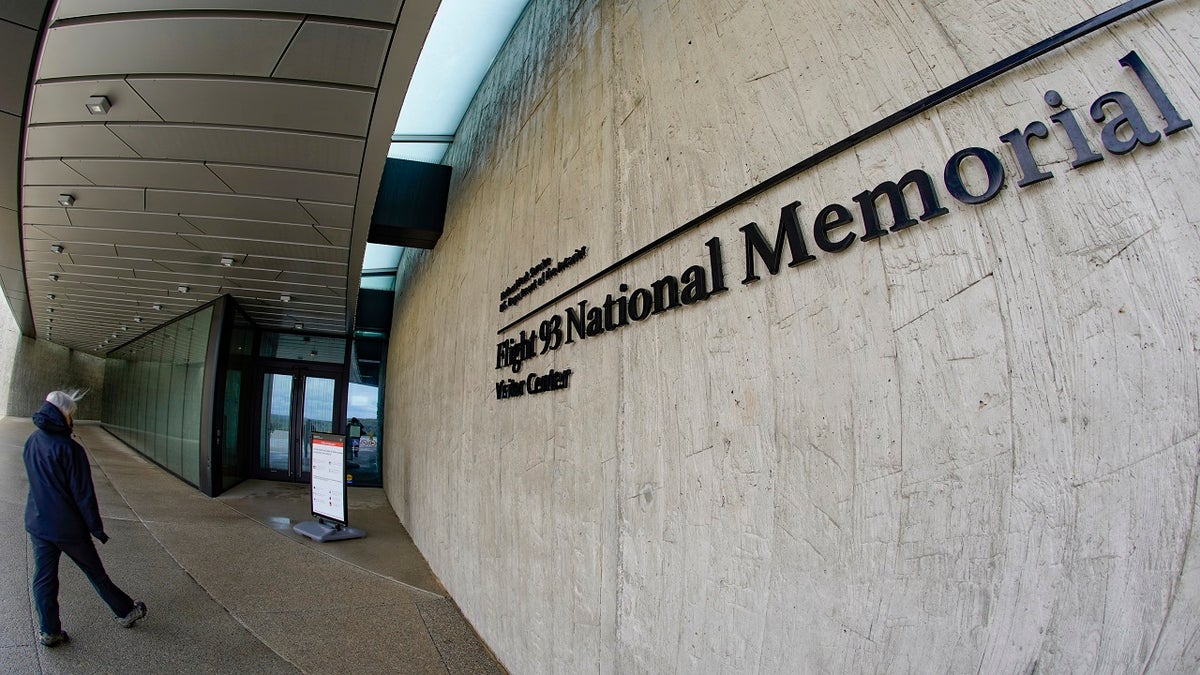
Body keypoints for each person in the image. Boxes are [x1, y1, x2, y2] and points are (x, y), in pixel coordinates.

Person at [23, 389, 147, 647]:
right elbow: (84, 495)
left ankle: (49, 631)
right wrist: (96, 528)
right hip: (68, 528)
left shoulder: (32, 440)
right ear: (65, 414)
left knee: (43, 579)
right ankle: (125, 612)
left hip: (38, 524)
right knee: (96, 574)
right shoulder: (70, 449)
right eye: (71, 414)